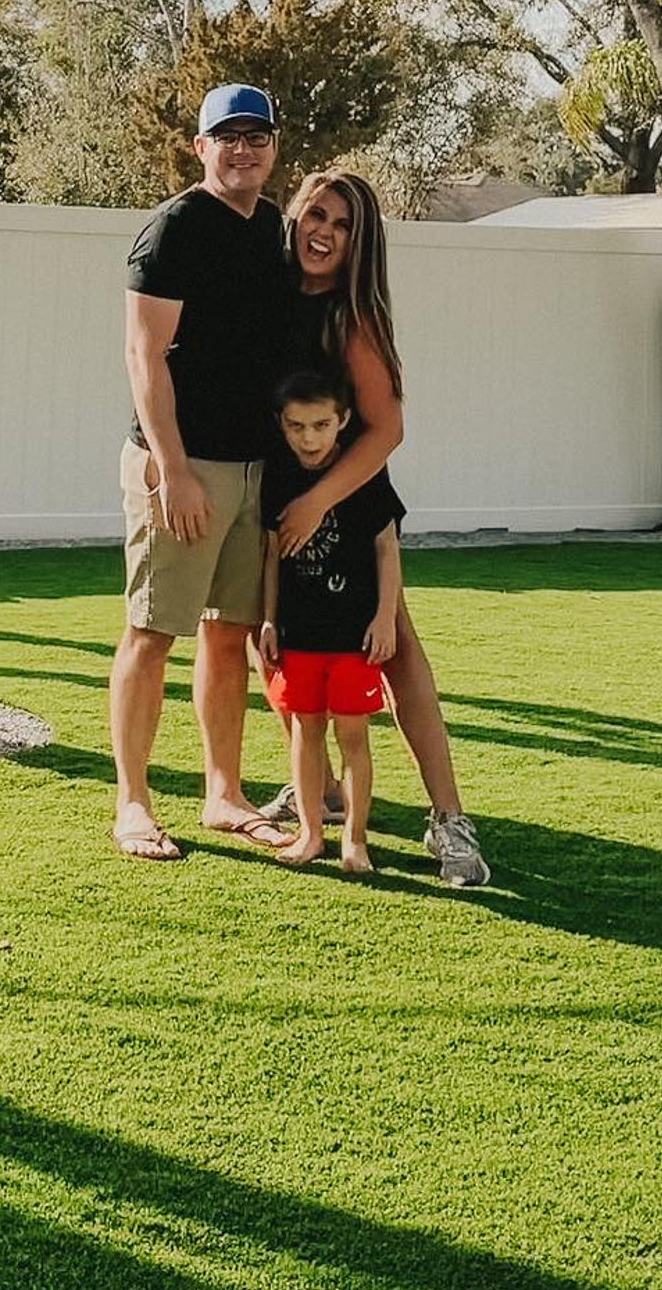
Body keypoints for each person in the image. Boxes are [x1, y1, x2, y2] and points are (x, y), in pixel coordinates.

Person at [263, 167, 492, 889]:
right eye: (315, 215)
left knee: (391, 643)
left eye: (341, 225)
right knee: (277, 643)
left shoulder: (350, 316)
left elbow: (387, 428)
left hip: (347, 503)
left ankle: (449, 819)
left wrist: (318, 502)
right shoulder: (271, 296)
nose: (323, 233)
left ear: (359, 245)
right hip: (273, 498)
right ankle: (321, 793)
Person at [110, 83, 294, 861]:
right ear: (201, 147)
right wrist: (174, 470)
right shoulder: (175, 229)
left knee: (230, 639)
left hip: (255, 467)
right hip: (181, 466)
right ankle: (133, 805)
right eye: (229, 137)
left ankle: (224, 795)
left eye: (257, 136)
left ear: (273, 147)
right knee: (152, 634)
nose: (244, 149)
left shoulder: (274, 227)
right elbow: (142, 355)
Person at [259, 368, 405, 872]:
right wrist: (270, 619)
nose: (309, 437)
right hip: (299, 636)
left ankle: (355, 839)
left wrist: (385, 618)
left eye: (321, 425)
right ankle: (310, 832)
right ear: (281, 424)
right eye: (297, 426)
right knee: (305, 730)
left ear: (342, 420)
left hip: (353, 638)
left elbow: (387, 548)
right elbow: (273, 553)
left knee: (352, 736)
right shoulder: (278, 476)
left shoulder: (364, 475)